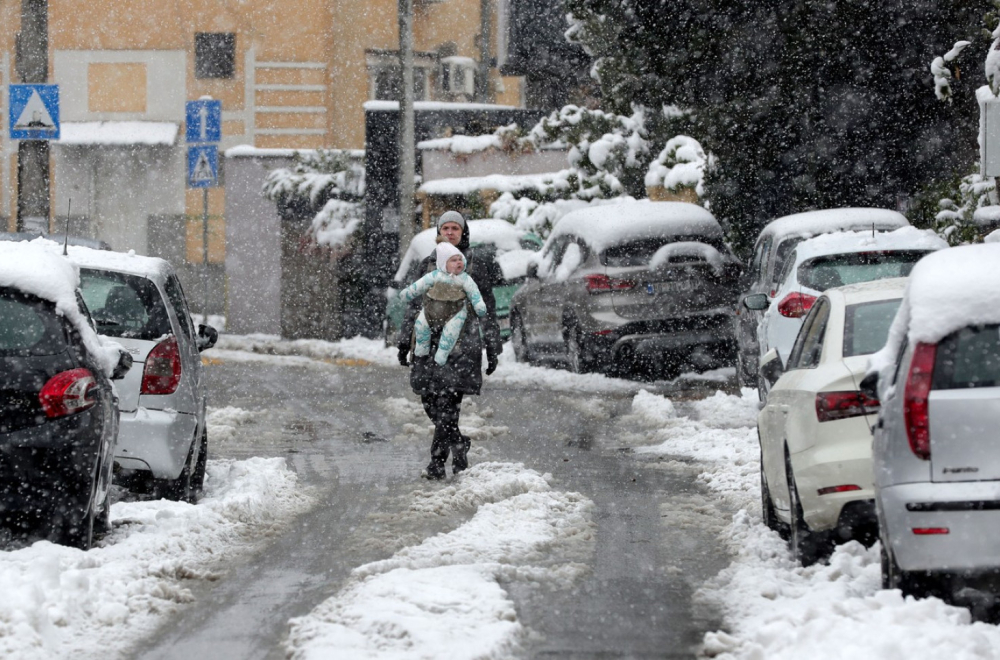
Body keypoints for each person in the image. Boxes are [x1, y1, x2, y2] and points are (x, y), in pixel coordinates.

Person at [398, 210, 503, 480]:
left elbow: (486, 309)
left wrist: (492, 346)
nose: (451, 232)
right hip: (428, 343)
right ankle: (458, 442)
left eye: (456, 228)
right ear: (439, 232)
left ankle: (436, 463)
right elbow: (413, 304)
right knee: (429, 401)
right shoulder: (427, 264)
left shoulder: (474, 265)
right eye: (446, 228)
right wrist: (403, 341)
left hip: (461, 344)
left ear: (463, 232)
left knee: (448, 403)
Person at [400, 242, 488, 366]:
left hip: (455, 311)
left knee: (451, 332)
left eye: (460, 259)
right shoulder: (434, 275)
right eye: (453, 260)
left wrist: (479, 305)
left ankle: (442, 353)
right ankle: (422, 348)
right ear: (443, 264)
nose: (458, 262)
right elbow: (420, 285)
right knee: (421, 324)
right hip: (431, 309)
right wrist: (408, 293)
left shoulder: (465, 279)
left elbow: (474, 293)